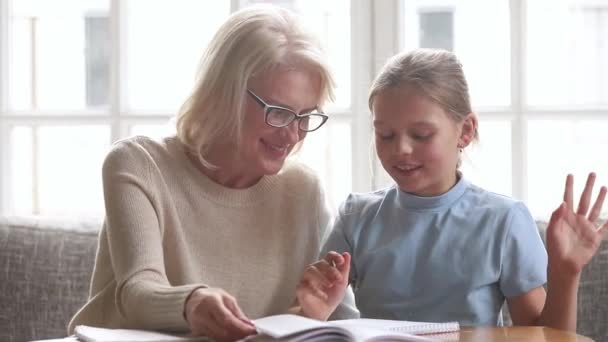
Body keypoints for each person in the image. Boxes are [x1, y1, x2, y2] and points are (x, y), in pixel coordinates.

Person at [68, 5, 357, 341]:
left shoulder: (303, 190)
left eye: (305, 116)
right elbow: (136, 292)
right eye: (278, 112)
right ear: (224, 94)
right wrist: (190, 303)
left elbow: (339, 323)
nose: (292, 135)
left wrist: (309, 314)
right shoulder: (138, 164)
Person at [294, 48, 608, 331]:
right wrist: (313, 313)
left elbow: (546, 337)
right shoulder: (356, 216)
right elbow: (310, 320)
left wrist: (565, 274)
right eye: (386, 134)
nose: (401, 149)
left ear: (465, 131)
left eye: (421, 134)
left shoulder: (504, 220)